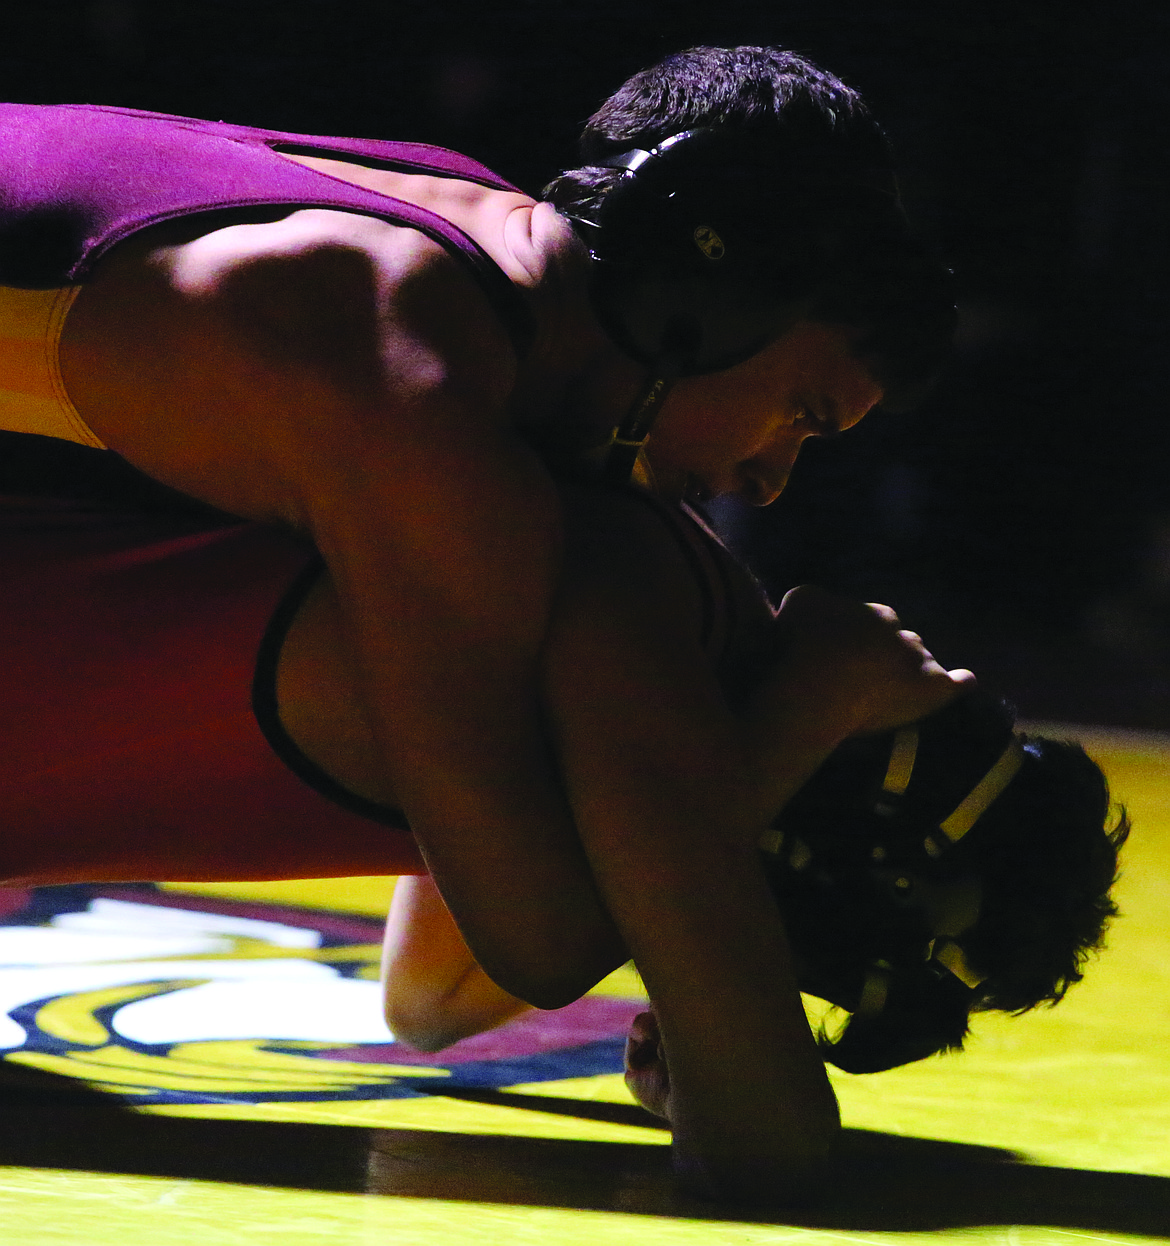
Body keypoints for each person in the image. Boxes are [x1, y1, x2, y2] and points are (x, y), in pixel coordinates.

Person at [0, 46, 961, 1196]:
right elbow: (541, 942)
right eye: (798, 415)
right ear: (708, 298)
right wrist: (804, 708)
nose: (768, 482)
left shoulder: (475, 272)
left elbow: (431, 992)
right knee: (633, 588)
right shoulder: (399, 376)